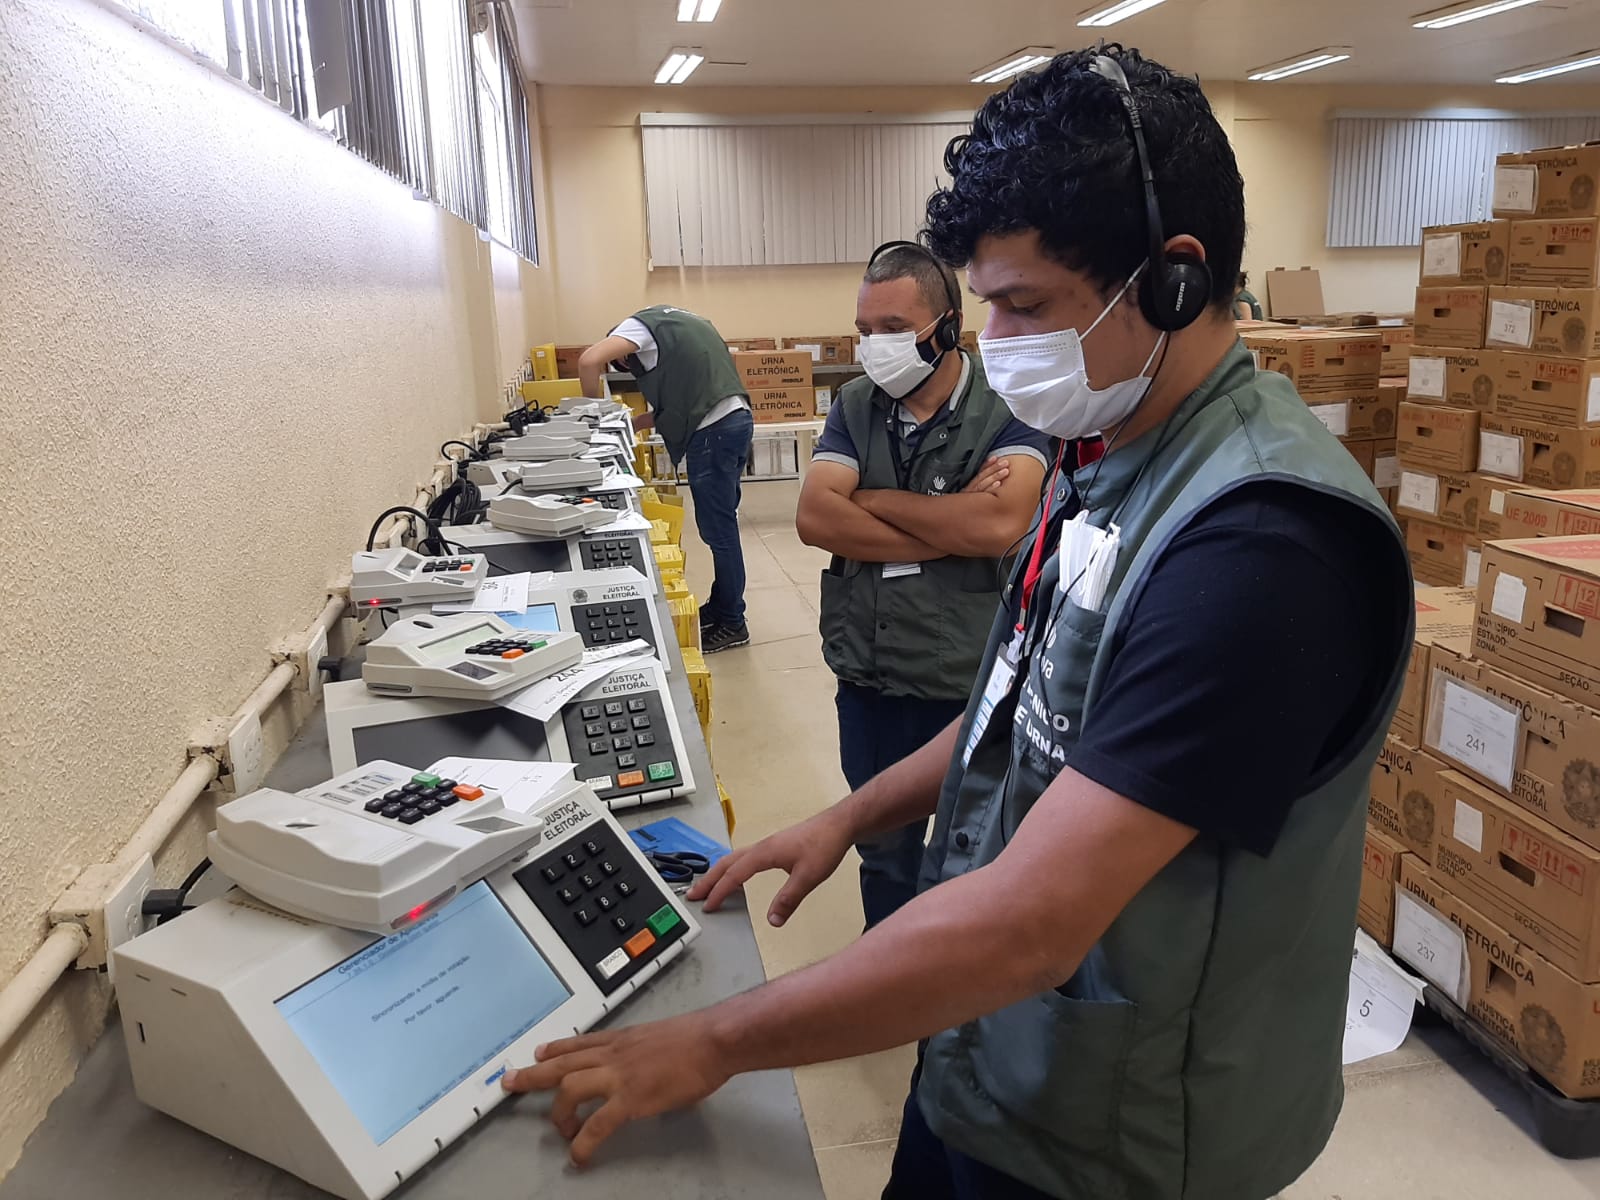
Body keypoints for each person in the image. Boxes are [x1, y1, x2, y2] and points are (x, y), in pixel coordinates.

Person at [504, 46, 1413, 1200]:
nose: (992, 342)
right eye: (984, 303)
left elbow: (1033, 924)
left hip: (1117, 1132)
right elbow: (1019, 711)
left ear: (1176, 279)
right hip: (994, 1059)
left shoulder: (1263, 544)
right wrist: (852, 814)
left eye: (1025, 306)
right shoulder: (1109, 457)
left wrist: (716, 1040)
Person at [796, 242, 1049, 928]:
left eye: (893, 330)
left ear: (944, 328)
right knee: (884, 851)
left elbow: (1000, 521)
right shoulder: (856, 403)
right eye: (865, 329)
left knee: (974, 853)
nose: (874, 346)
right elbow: (816, 515)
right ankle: (886, 973)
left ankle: (956, 1003)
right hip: (870, 675)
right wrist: (945, 525)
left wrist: (872, 499)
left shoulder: (1009, 405)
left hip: (963, 678)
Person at [579, 308, 753, 653]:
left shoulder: (637, 330)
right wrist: (631, 423)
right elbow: (679, 403)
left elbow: (588, 361)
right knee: (722, 527)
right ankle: (721, 607)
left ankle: (734, 622)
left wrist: (592, 419)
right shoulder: (683, 324)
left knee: (719, 533)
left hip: (713, 433)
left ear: (624, 347)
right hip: (734, 421)